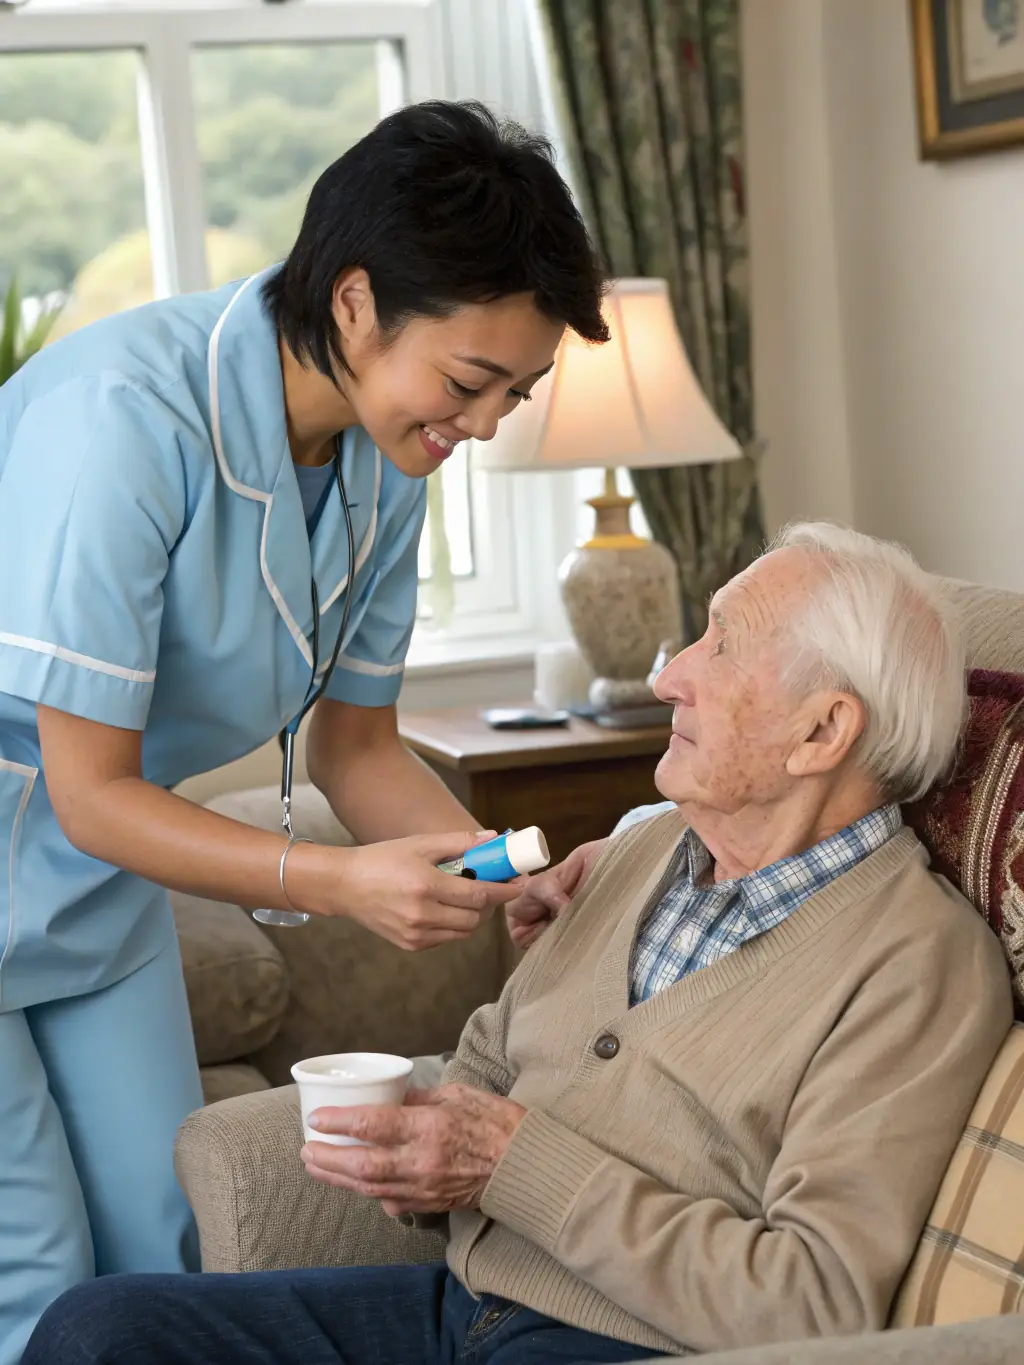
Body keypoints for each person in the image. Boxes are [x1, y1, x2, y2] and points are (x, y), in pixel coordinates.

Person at [26, 522, 1014, 1365]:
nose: (669, 675)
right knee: (100, 1328)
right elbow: (491, 1057)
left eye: (718, 648)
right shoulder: (643, 852)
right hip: (460, 1306)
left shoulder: (915, 967)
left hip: (630, 1345)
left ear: (821, 732)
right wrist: (422, 1159)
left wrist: (510, 1162)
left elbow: (813, 1302)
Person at [0, 100, 609, 1364]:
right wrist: (336, 881)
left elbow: (359, 752)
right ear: (353, 304)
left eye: (518, 391)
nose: (486, 424)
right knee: (33, 1273)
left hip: (101, 874)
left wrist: (511, 876)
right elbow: (89, 786)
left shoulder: (390, 456)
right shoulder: (121, 418)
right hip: (76, 813)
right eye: (469, 382)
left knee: (175, 1245)